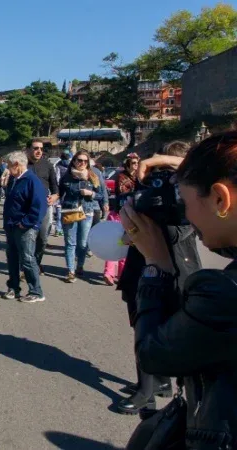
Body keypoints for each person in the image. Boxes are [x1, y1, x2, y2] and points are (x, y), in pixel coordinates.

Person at [119, 132, 237, 446]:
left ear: (220, 199)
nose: (183, 214)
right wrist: (162, 161)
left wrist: (156, 264)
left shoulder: (224, 295)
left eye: (184, 202)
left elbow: (154, 355)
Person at [115, 140, 201, 414]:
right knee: (142, 326)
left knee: (170, 334)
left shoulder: (188, 200)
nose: (162, 179)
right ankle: (153, 384)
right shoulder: (148, 191)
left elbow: (178, 234)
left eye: (169, 172)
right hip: (140, 270)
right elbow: (128, 232)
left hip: (175, 274)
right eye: (158, 172)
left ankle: (148, 394)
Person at [1, 151, 47, 303]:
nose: (7, 168)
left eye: (9, 165)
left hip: (24, 227)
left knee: (27, 259)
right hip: (12, 225)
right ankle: (14, 287)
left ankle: (36, 291)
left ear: (17, 165)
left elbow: (39, 206)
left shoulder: (32, 181)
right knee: (12, 257)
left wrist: (25, 223)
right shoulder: (15, 180)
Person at [58, 150, 105, 283]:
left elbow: (101, 195)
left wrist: (91, 193)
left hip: (87, 212)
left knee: (83, 243)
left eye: (85, 161)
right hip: (70, 211)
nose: (82, 163)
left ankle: (80, 266)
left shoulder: (93, 176)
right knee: (70, 243)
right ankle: (70, 271)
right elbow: (59, 193)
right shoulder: (66, 177)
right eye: (79, 160)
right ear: (74, 161)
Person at [102, 153, 139, 286]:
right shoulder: (121, 177)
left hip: (132, 216)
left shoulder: (138, 178)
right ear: (128, 164)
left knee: (126, 246)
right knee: (116, 245)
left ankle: (122, 274)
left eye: (137, 163)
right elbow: (124, 193)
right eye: (133, 163)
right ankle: (109, 273)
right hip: (119, 215)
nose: (136, 165)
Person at [26, 139, 59, 274]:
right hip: (26, 207)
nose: (39, 151)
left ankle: (36, 262)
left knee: (43, 238)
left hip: (44, 206)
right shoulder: (22, 165)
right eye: (35, 148)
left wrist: (55, 196)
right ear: (28, 150)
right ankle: (27, 265)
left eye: (41, 148)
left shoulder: (48, 165)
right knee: (28, 237)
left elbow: (55, 187)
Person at [53, 150, 72, 236]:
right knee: (68, 211)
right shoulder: (71, 165)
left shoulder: (58, 165)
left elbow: (57, 178)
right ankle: (66, 229)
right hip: (69, 190)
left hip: (60, 190)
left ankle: (58, 229)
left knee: (59, 211)